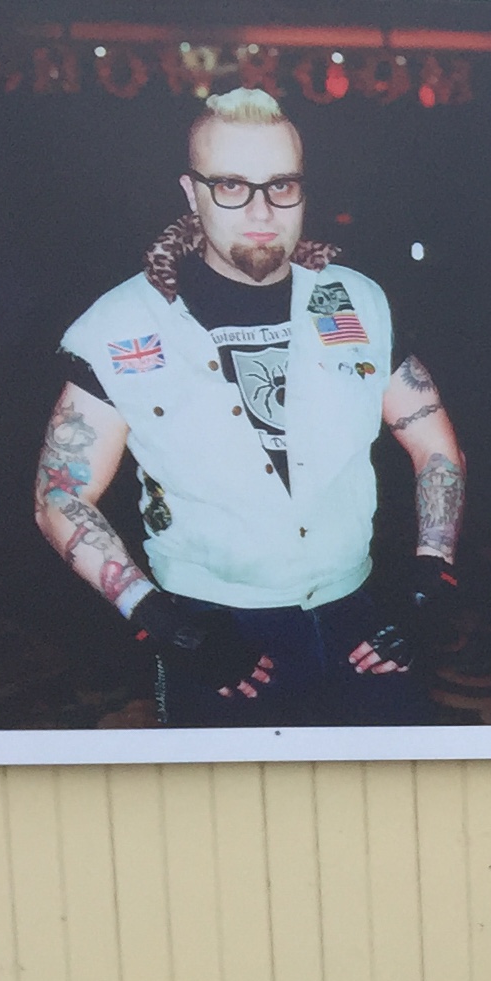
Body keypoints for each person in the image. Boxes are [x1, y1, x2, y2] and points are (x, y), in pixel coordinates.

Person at [35, 87, 462, 728]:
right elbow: (59, 495)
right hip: (214, 633)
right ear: (191, 192)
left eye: (281, 186)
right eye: (232, 186)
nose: (262, 211)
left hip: (361, 620)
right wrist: (166, 625)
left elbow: (434, 446)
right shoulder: (120, 327)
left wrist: (431, 579)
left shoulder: (354, 301)